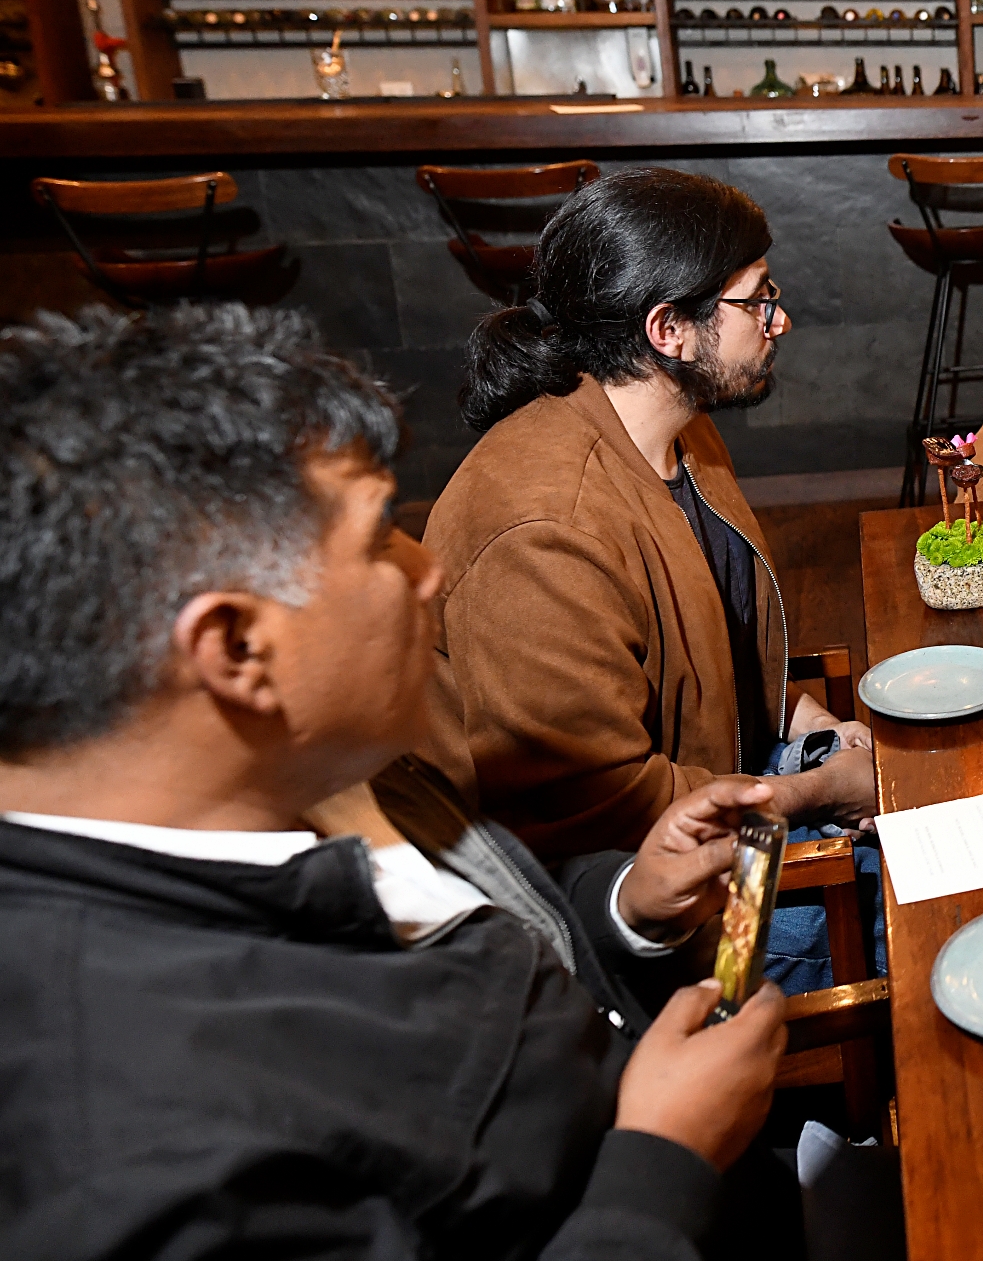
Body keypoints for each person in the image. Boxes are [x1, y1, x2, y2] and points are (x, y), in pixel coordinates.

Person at [0, 304, 798, 1258]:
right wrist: (667, 1157)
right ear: (234, 647)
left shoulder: (328, 772)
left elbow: (502, 927)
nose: (427, 570)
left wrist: (630, 903)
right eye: (380, 535)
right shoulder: (140, 1154)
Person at [423, 168, 873, 985]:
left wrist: (810, 719)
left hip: (750, 798)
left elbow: (718, 647)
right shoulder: (546, 528)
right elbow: (607, 819)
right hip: (683, 920)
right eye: (758, 300)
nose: (782, 319)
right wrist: (821, 791)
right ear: (668, 328)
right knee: (929, 922)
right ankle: (812, 1104)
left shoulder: (676, 431)